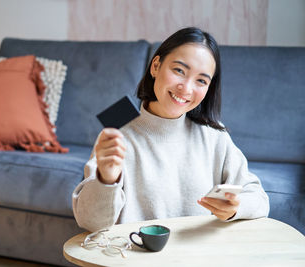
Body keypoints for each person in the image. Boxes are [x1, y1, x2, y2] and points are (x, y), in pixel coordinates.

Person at [72, 27, 269, 232]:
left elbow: (260, 199)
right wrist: (107, 179)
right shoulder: (118, 131)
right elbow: (90, 222)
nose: (186, 88)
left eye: (201, 80)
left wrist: (236, 208)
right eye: (179, 71)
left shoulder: (214, 136)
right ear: (156, 66)